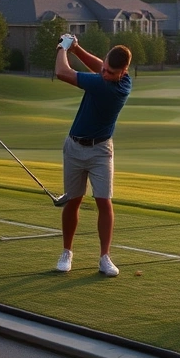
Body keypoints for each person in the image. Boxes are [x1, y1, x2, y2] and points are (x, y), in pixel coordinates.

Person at [53, 35, 132, 277]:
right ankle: (67, 252)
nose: (104, 73)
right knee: (73, 200)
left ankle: (104, 257)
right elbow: (98, 65)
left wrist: (63, 46)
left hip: (100, 151)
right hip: (75, 147)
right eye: (104, 68)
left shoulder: (107, 87)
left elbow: (62, 72)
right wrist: (77, 48)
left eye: (109, 72)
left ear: (123, 71)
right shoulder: (118, 78)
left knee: (103, 201)